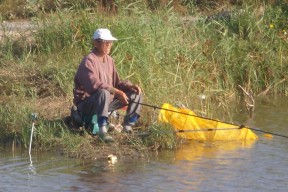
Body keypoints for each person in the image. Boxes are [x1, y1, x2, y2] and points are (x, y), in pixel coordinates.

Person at [72, 28, 143, 142]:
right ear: (96, 43)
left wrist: (129, 87)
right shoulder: (88, 61)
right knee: (104, 92)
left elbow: (117, 83)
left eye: (110, 42)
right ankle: (102, 130)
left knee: (135, 94)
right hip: (87, 104)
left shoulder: (110, 60)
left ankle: (128, 126)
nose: (109, 45)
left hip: (106, 103)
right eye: (106, 42)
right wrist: (116, 92)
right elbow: (94, 85)